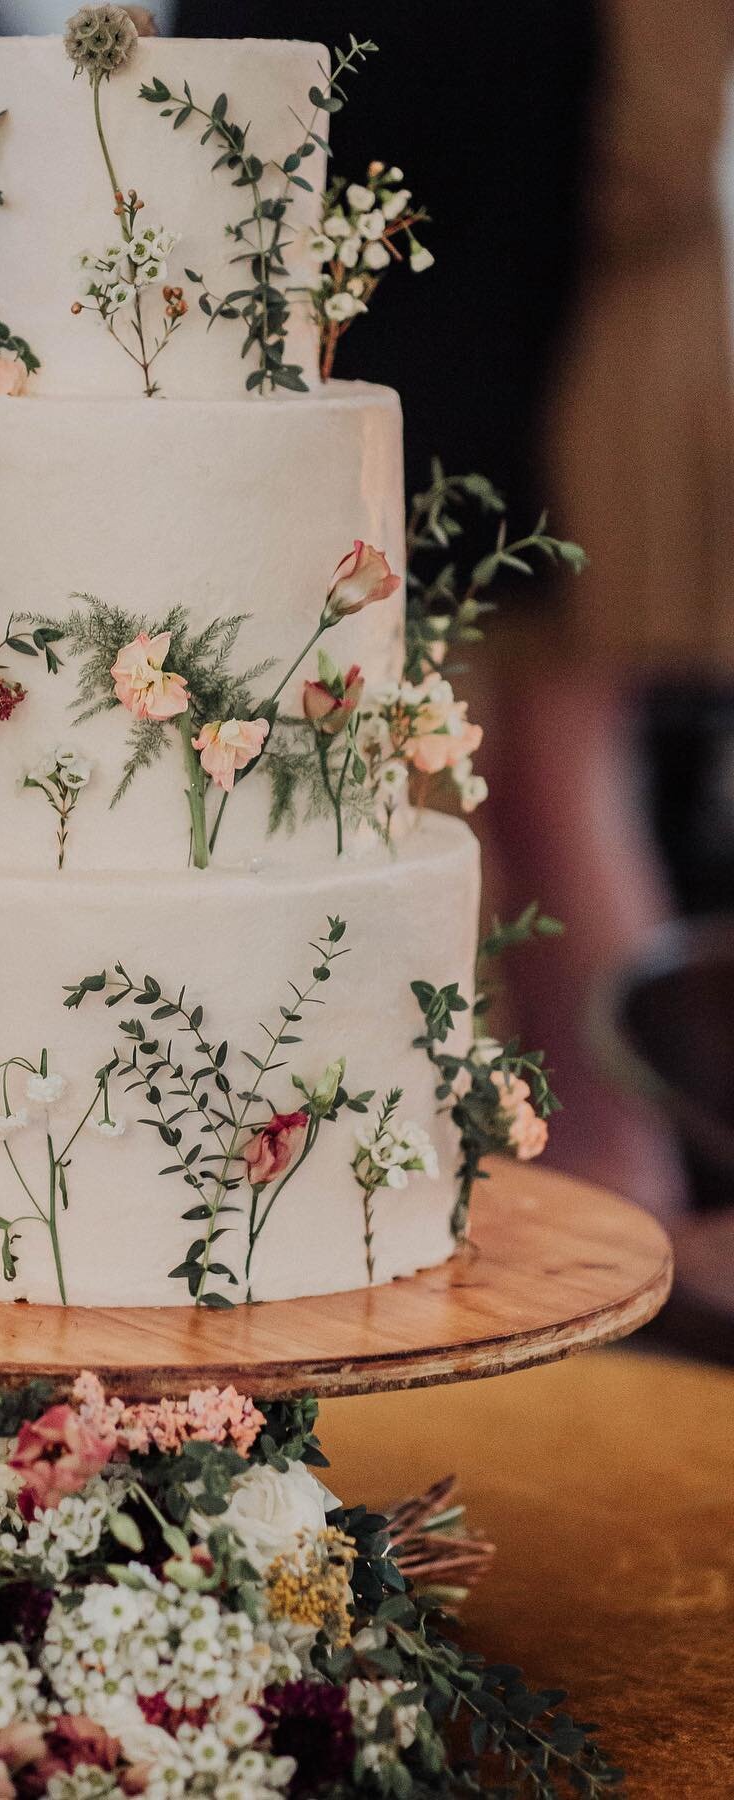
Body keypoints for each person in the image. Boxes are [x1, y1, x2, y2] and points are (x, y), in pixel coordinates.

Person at [176, 0, 734, 1224]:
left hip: (589, 386)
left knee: (550, 789)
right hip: (516, 362)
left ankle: (633, 1183)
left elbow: (647, 158)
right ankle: (582, 1178)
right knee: (528, 797)